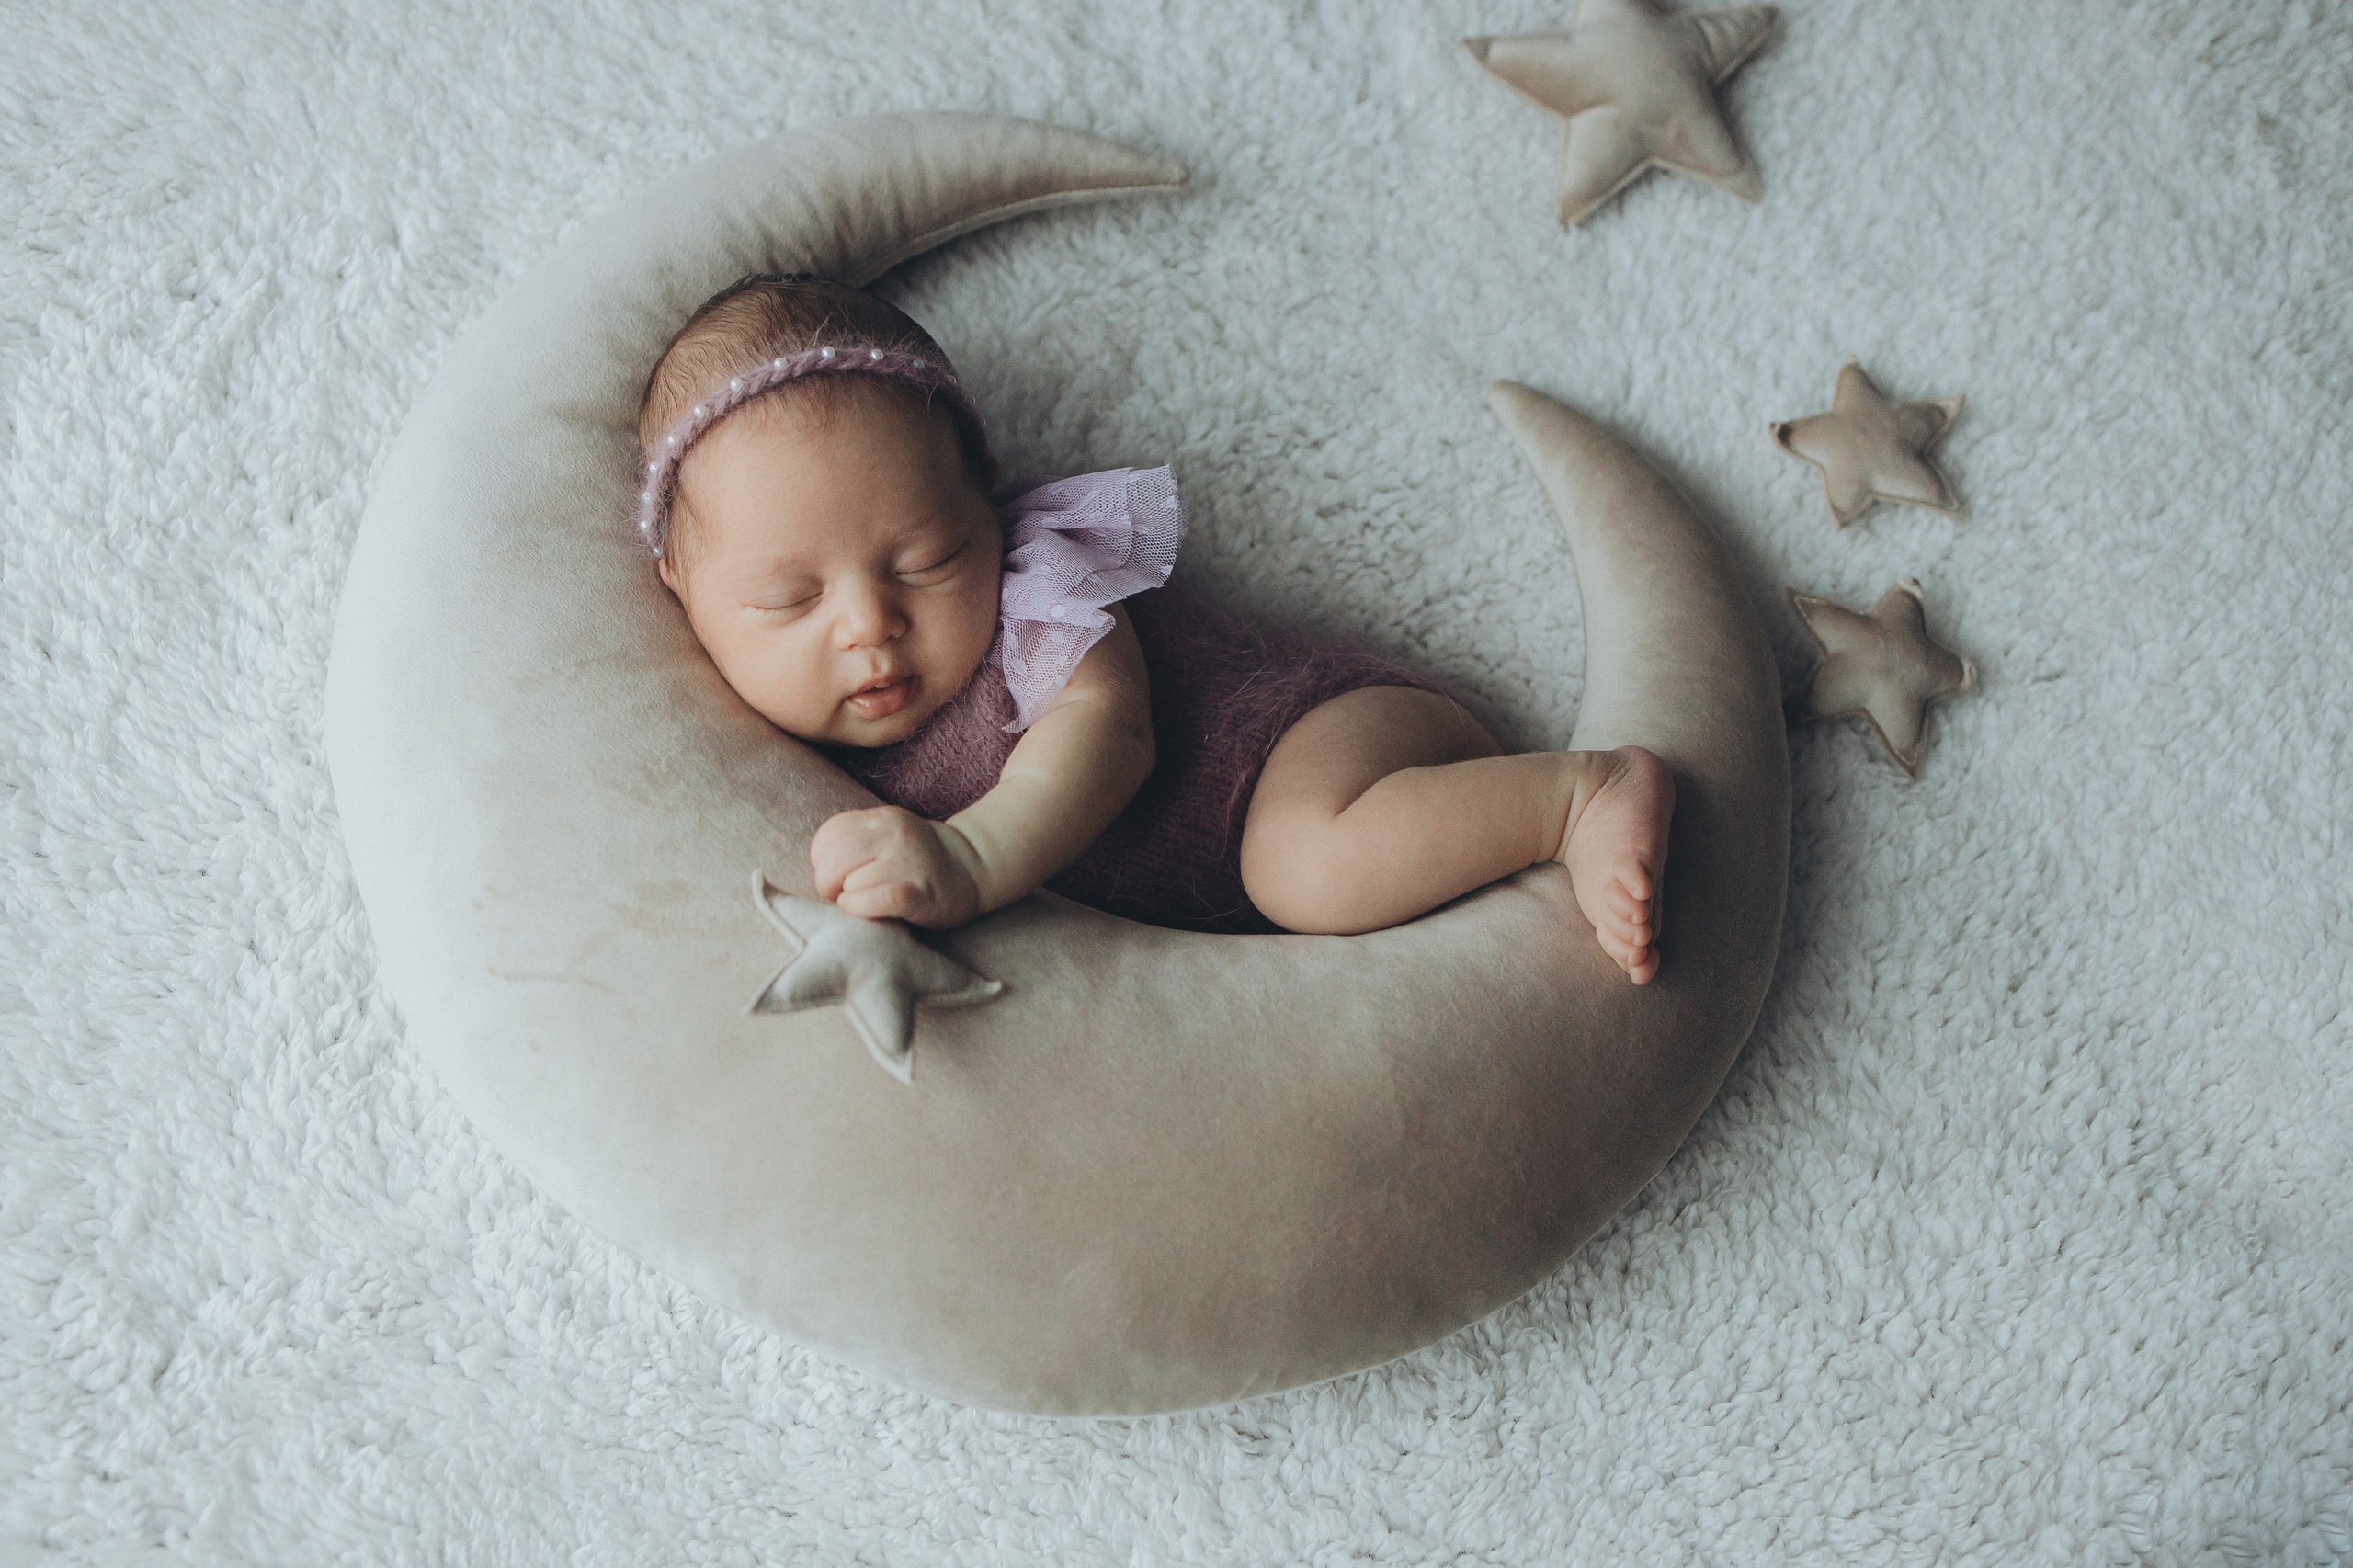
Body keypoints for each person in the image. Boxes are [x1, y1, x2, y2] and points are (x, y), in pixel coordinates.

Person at [634, 274, 1673, 981]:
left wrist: (972, 858)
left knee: (1300, 861)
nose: (870, 623)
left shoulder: (1037, 588)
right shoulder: (752, 743)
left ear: (985, 504)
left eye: (925, 560)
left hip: (1317, 742)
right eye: (788, 599)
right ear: (681, 585)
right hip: (1231, 889)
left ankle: (1578, 793)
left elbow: (1106, 736)